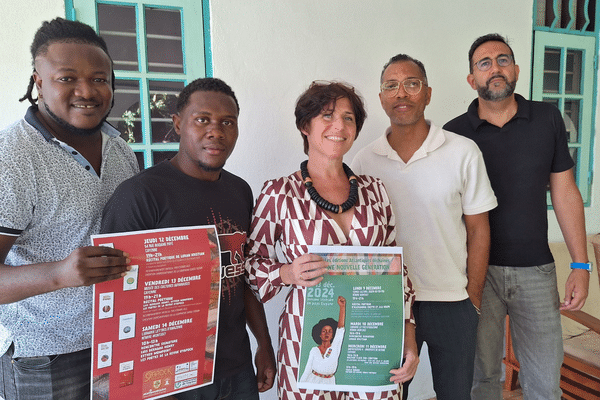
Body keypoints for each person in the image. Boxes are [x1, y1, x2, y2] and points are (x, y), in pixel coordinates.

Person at [101, 77, 276, 400]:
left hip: (235, 368)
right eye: (202, 120)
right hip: (169, 377)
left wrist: (264, 343)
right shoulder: (141, 195)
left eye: (228, 122)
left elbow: (243, 276)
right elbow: (111, 298)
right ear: (178, 124)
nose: (216, 131)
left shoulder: (240, 191)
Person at [246, 81, 418, 400]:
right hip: (305, 343)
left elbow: (397, 272)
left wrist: (408, 337)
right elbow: (250, 268)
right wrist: (286, 273)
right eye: (327, 115)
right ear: (304, 126)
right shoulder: (279, 193)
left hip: (374, 339)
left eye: (349, 118)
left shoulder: (375, 191)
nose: (339, 125)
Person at [444, 33, 590, 399]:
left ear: (517, 70)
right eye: (484, 63)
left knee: (544, 384)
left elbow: (565, 191)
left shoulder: (547, 118)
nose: (495, 68)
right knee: (481, 380)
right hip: (475, 273)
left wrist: (581, 265)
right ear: (471, 79)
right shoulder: (453, 134)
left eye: (503, 59)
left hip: (536, 273)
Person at [0, 18, 139, 400]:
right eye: (67, 78)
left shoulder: (120, 150)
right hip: (46, 358)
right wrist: (58, 274)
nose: (87, 91)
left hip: (119, 339)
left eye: (99, 78)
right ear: (38, 82)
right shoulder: (11, 157)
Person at [351, 54, 497, 400]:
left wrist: (472, 299)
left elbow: (479, 230)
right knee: (387, 394)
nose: (401, 93)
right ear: (382, 98)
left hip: (452, 301)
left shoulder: (463, 151)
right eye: (391, 86)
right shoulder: (363, 161)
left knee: (455, 394)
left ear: (427, 94)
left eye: (412, 84)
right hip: (388, 304)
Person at [300, 296, 346, 385]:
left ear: (333, 335)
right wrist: (301, 385)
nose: (327, 334)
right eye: (324, 331)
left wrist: (342, 307)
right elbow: (307, 369)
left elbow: (340, 329)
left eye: (330, 331)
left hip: (329, 382)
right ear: (320, 335)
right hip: (312, 381)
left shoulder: (335, 348)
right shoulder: (314, 350)